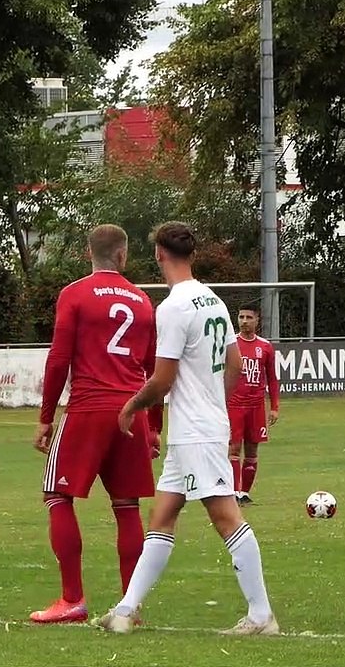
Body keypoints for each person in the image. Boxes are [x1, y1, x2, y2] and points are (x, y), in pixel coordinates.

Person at [97, 222, 279, 636]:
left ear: (160, 254)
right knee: (161, 517)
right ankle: (125, 611)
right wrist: (212, 399)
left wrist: (131, 406)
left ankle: (261, 615)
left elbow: (161, 380)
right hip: (195, 430)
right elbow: (234, 366)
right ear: (190, 254)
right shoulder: (212, 300)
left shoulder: (173, 307)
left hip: (197, 431)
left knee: (226, 518)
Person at [30, 224, 160, 624]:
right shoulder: (142, 300)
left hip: (89, 408)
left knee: (56, 495)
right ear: (122, 256)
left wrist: (46, 417)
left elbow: (58, 358)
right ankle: (129, 605)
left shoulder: (75, 294)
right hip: (132, 410)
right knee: (127, 507)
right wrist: (153, 426)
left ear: (89, 254)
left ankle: (72, 599)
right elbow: (155, 369)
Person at [228, 306, 279, 505]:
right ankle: (233, 492)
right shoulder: (230, 344)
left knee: (252, 450)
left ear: (257, 320)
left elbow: (272, 379)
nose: (244, 321)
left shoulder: (265, 347)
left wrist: (274, 407)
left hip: (256, 406)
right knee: (233, 448)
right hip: (234, 404)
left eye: (249, 317)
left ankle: (244, 494)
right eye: (241, 317)